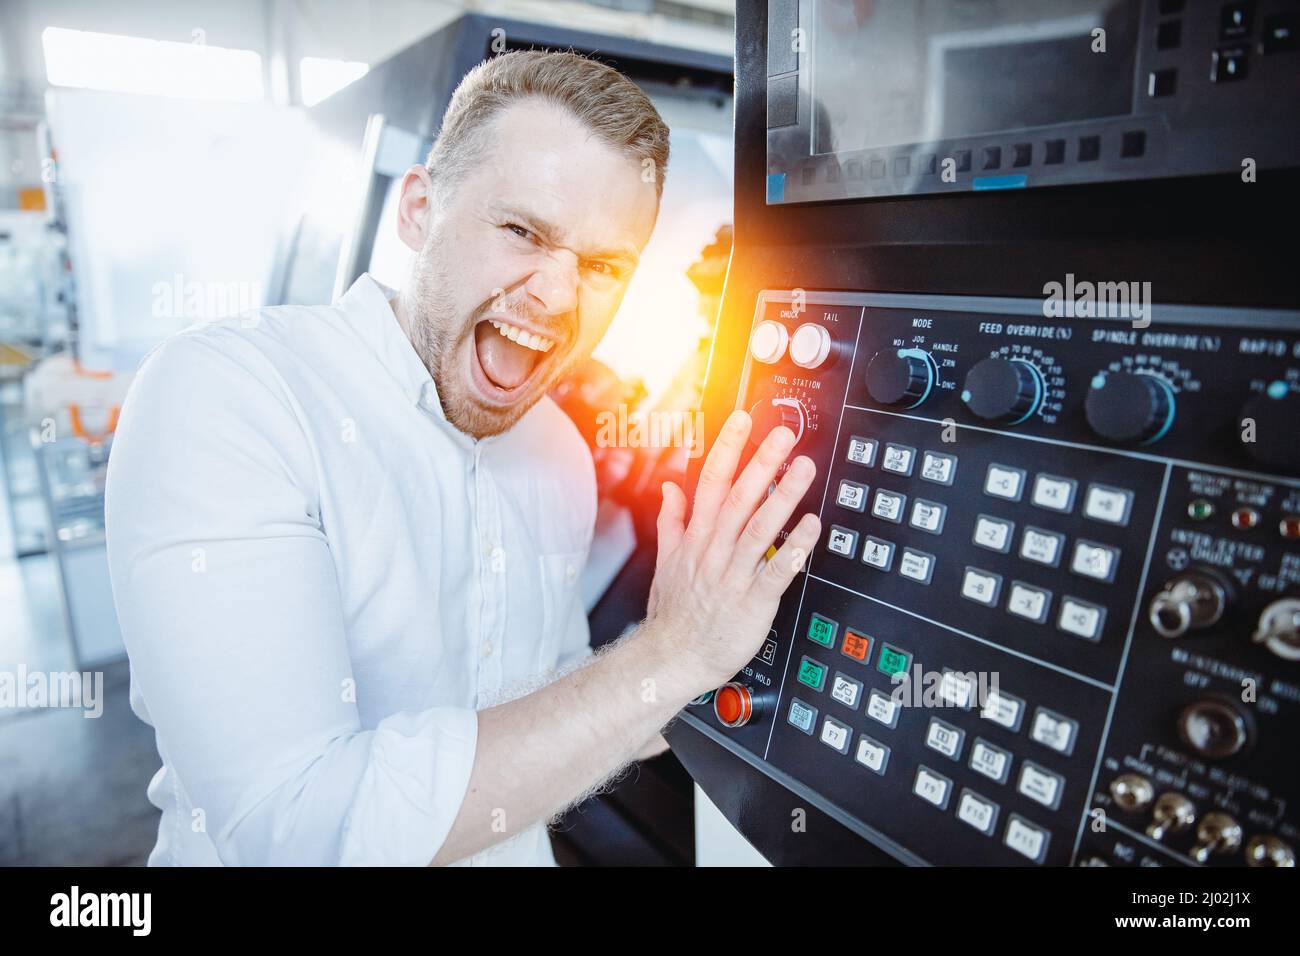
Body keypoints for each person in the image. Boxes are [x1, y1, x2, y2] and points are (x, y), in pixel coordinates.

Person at [105, 50, 820, 866]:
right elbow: (295, 830)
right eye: (522, 231)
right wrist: (671, 654)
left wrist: (727, 674)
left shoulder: (557, 453)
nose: (556, 296)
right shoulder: (232, 395)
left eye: (602, 266)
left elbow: (546, 706)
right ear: (417, 210)